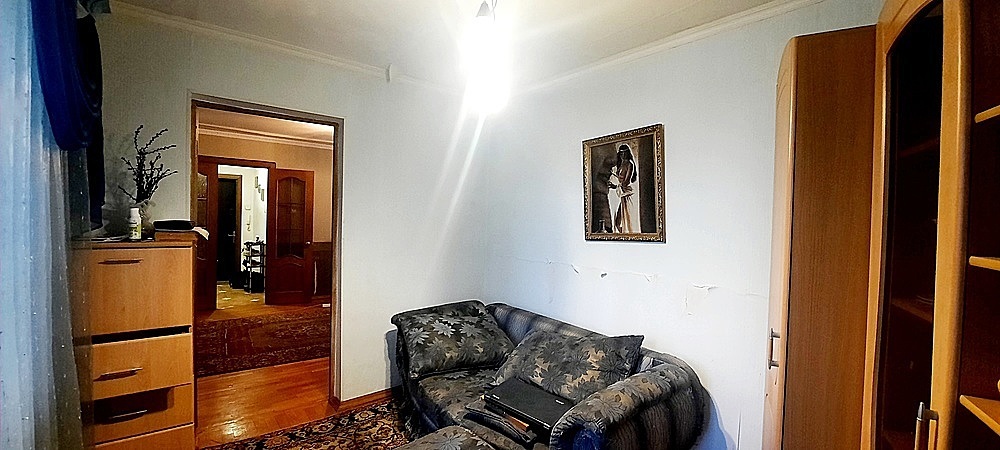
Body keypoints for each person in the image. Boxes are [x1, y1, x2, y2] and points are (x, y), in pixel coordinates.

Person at [612, 144, 639, 233]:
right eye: (621, 153)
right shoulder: (621, 164)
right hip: (623, 193)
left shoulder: (630, 164)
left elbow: (626, 182)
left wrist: (615, 186)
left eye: (625, 153)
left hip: (628, 194)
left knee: (628, 219)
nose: (623, 155)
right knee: (618, 222)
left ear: (628, 153)